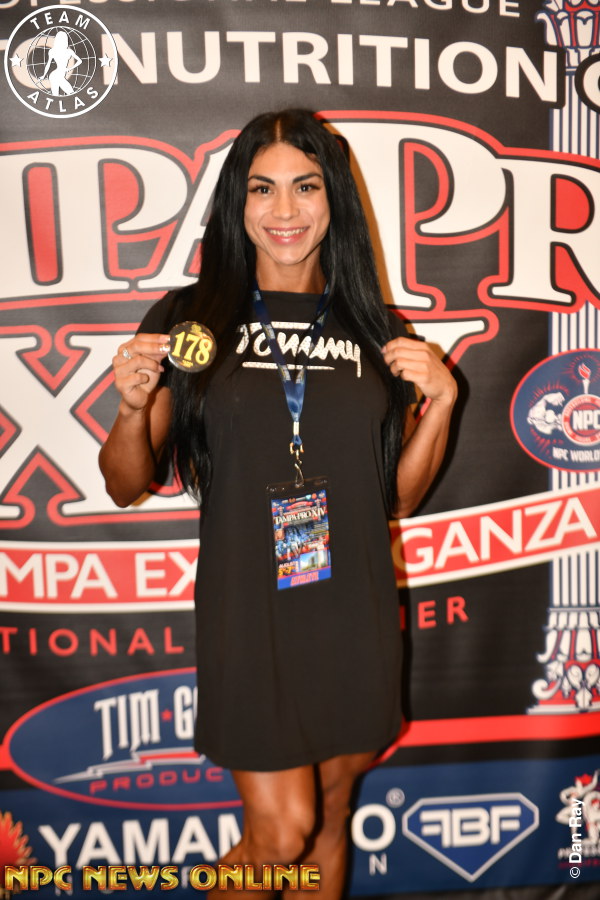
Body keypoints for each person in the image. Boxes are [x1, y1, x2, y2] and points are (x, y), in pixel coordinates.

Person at [99, 109, 457, 898]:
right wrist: (131, 407)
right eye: (262, 189)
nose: (284, 210)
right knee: (281, 833)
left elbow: (399, 496)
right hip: (250, 614)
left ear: (335, 201)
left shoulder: (375, 327)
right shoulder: (192, 320)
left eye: (306, 187)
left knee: (329, 822)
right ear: (237, 201)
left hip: (353, 609)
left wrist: (442, 405)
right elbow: (124, 484)